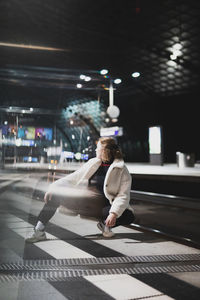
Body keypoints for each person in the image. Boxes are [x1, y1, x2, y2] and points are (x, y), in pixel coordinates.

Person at [26, 137, 135, 243]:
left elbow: (123, 195)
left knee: (129, 215)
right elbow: (73, 177)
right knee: (55, 194)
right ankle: (39, 230)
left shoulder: (122, 170)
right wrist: (53, 187)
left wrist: (113, 214)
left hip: (104, 207)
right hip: (85, 202)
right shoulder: (93, 163)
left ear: (105, 151)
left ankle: (105, 224)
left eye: (98, 148)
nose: (95, 150)